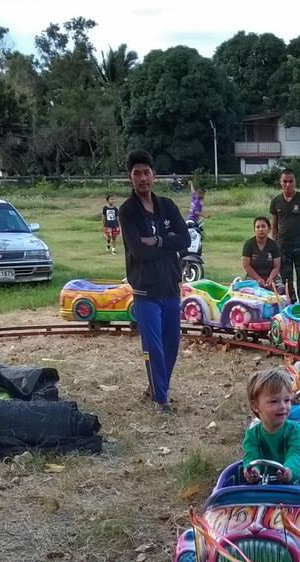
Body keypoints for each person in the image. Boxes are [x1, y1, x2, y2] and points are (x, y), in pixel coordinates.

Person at [120, 150, 190, 413]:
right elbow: (139, 252)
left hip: (171, 284)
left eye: (146, 172)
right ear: (130, 177)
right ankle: (161, 398)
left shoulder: (168, 206)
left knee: (172, 343)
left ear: (154, 175)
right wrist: (167, 241)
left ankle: (158, 386)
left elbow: (184, 239)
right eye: (136, 173)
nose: (142, 178)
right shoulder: (127, 212)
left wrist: (158, 240)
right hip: (145, 289)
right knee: (154, 346)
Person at [242, 368, 300, 486]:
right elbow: (251, 456)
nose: (283, 406)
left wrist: (289, 470)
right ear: (255, 406)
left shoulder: (295, 431)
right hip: (264, 487)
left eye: (287, 400)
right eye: (274, 401)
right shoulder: (252, 435)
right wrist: (252, 470)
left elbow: (297, 454)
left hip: (295, 488)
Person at [270, 169, 300, 302]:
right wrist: (274, 245)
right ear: (280, 183)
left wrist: (297, 231)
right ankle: (290, 305)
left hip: (299, 244)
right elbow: (274, 225)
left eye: (291, 181)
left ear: (295, 182)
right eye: (285, 181)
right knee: (286, 280)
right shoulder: (276, 201)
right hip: (283, 246)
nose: (288, 184)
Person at [241, 216, 281, 290]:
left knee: (281, 290)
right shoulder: (249, 244)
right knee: (248, 292)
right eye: (258, 227)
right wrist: (258, 279)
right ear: (254, 230)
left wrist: (271, 278)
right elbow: (246, 265)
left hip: (271, 276)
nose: (260, 229)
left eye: (263, 226)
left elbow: (277, 266)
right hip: (253, 276)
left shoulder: (274, 245)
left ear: (269, 229)